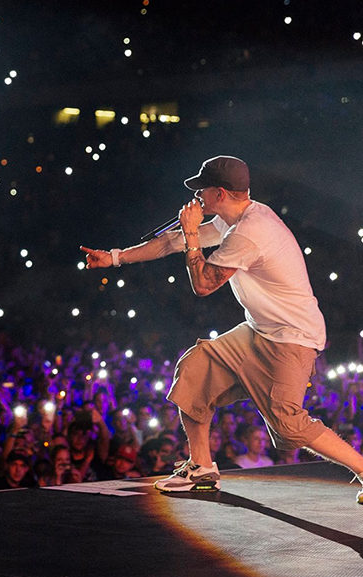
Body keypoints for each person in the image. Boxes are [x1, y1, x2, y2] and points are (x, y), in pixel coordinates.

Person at [82, 155, 363, 502]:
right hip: (259, 330)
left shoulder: (250, 232)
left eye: (202, 189)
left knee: (289, 426)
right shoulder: (231, 218)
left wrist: (191, 232)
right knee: (194, 369)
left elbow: (202, 285)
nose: (196, 195)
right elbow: (171, 242)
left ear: (219, 193)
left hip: (292, 338)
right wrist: (114, 257)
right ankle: (201, 468)